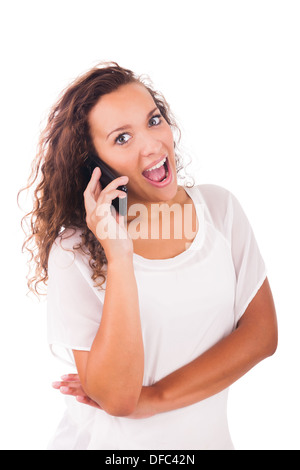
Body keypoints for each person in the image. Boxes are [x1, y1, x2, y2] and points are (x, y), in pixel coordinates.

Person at [20, 62, 278, 450]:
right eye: (121, 138)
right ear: (94, 165)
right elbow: (119, 400)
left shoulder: (220, 210)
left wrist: (155, 398)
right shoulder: (73, 251)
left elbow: (262, 336)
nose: (152, 144)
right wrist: (119, 256)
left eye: (153, 120)